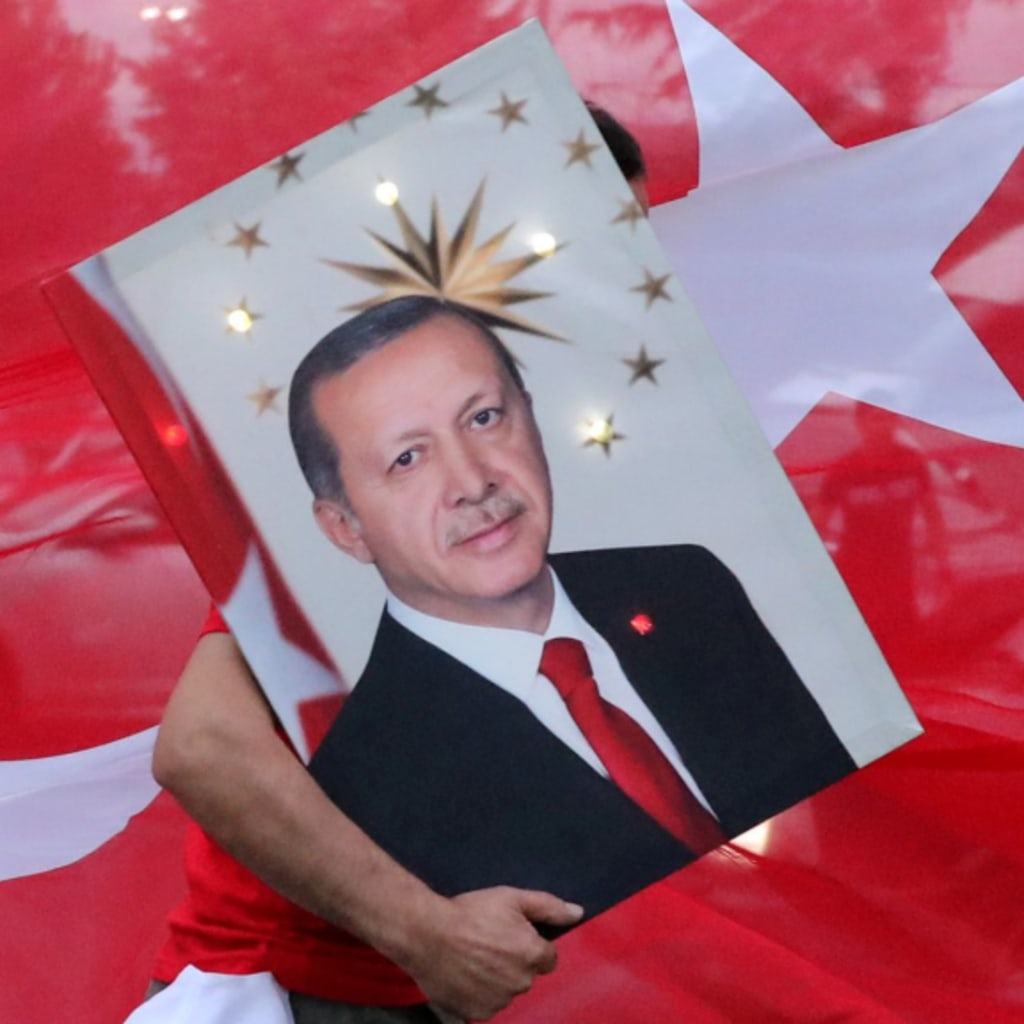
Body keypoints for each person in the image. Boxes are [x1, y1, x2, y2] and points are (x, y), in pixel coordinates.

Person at [146, 107, 654, 1024]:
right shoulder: (386, 497)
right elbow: (201, 746)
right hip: (297, 997)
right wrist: (425, 932)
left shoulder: (621, 529)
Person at [287, 297, 856, 919]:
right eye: (407, 459)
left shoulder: (687, 585)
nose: (474, 482)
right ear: (346, 529)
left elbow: (849, 820)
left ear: (529, 416)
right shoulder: (362, 787)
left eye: (483, 418)